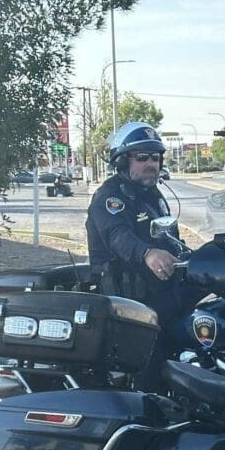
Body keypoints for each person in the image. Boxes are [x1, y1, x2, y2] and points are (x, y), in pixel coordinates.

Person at [85, 121, 181, 390]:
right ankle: (149, 419)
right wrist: (147, 253)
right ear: (122, 161)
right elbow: (117, 236)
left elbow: (172, 240)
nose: (151, 163)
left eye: (155, 157)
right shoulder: (110, 196)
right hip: (130, 302)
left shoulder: (152, 195)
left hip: (161, 292)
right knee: (151, 370)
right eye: (142, 157)